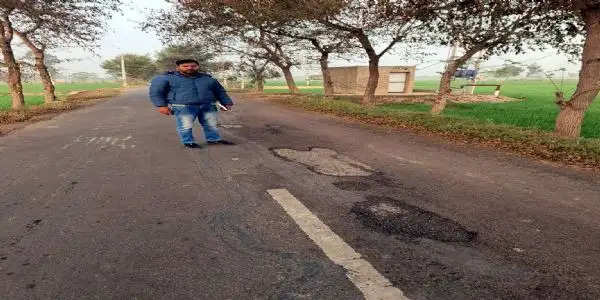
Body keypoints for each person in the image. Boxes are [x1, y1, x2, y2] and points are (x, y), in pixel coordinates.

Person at [149, 59, 235, 148]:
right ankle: (188, 142)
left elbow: (220, 91)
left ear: (198, 67)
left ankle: (213, 139)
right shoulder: (166, 78)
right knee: (185, 126)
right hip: (183, 106)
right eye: (185, 66)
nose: (190, 68)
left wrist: (226, 102)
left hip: (208, 105)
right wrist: (161, 105)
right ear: (178, 67)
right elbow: (156, 92)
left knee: (211, 124)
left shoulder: (207, 78)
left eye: (193, 66)